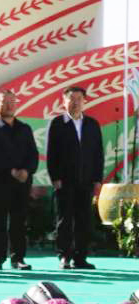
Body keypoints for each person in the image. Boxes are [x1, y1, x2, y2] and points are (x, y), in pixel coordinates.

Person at [46, 86, 104, 270]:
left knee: (84, 220)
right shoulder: (57, 123)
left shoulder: (92, 124)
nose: (75, 102)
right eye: (71, 98)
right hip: (64, 180)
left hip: (86, 180)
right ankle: (64, 256)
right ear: (64, 102)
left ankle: (80, 258)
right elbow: (51, 153)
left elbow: (98, 153)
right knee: (64, 220)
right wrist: (55, 177)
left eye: (79, 99)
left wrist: (97, 179)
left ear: (84, 101)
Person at [0, 90, 38, 270]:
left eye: (12, 102)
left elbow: (33, 154)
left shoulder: (25, 128)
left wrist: (27, 171)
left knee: (19, 222)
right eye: (5, 102)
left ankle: (18, 258)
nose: (9, 105)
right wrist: (12, 171)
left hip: (22, 183)